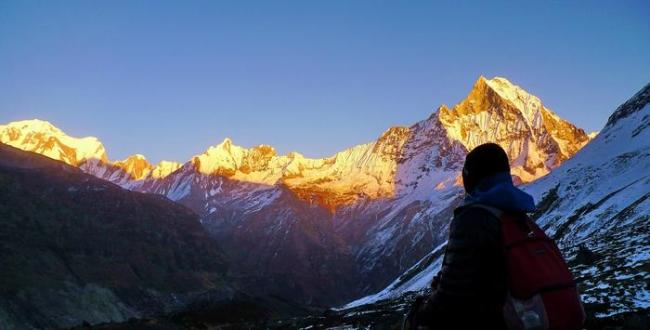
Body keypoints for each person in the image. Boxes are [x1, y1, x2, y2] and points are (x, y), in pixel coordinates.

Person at [405, 143, 536, 329]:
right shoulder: (519, 216)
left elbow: (451, 296)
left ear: (470, 177)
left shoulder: (473, 219)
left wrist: (418, 316)